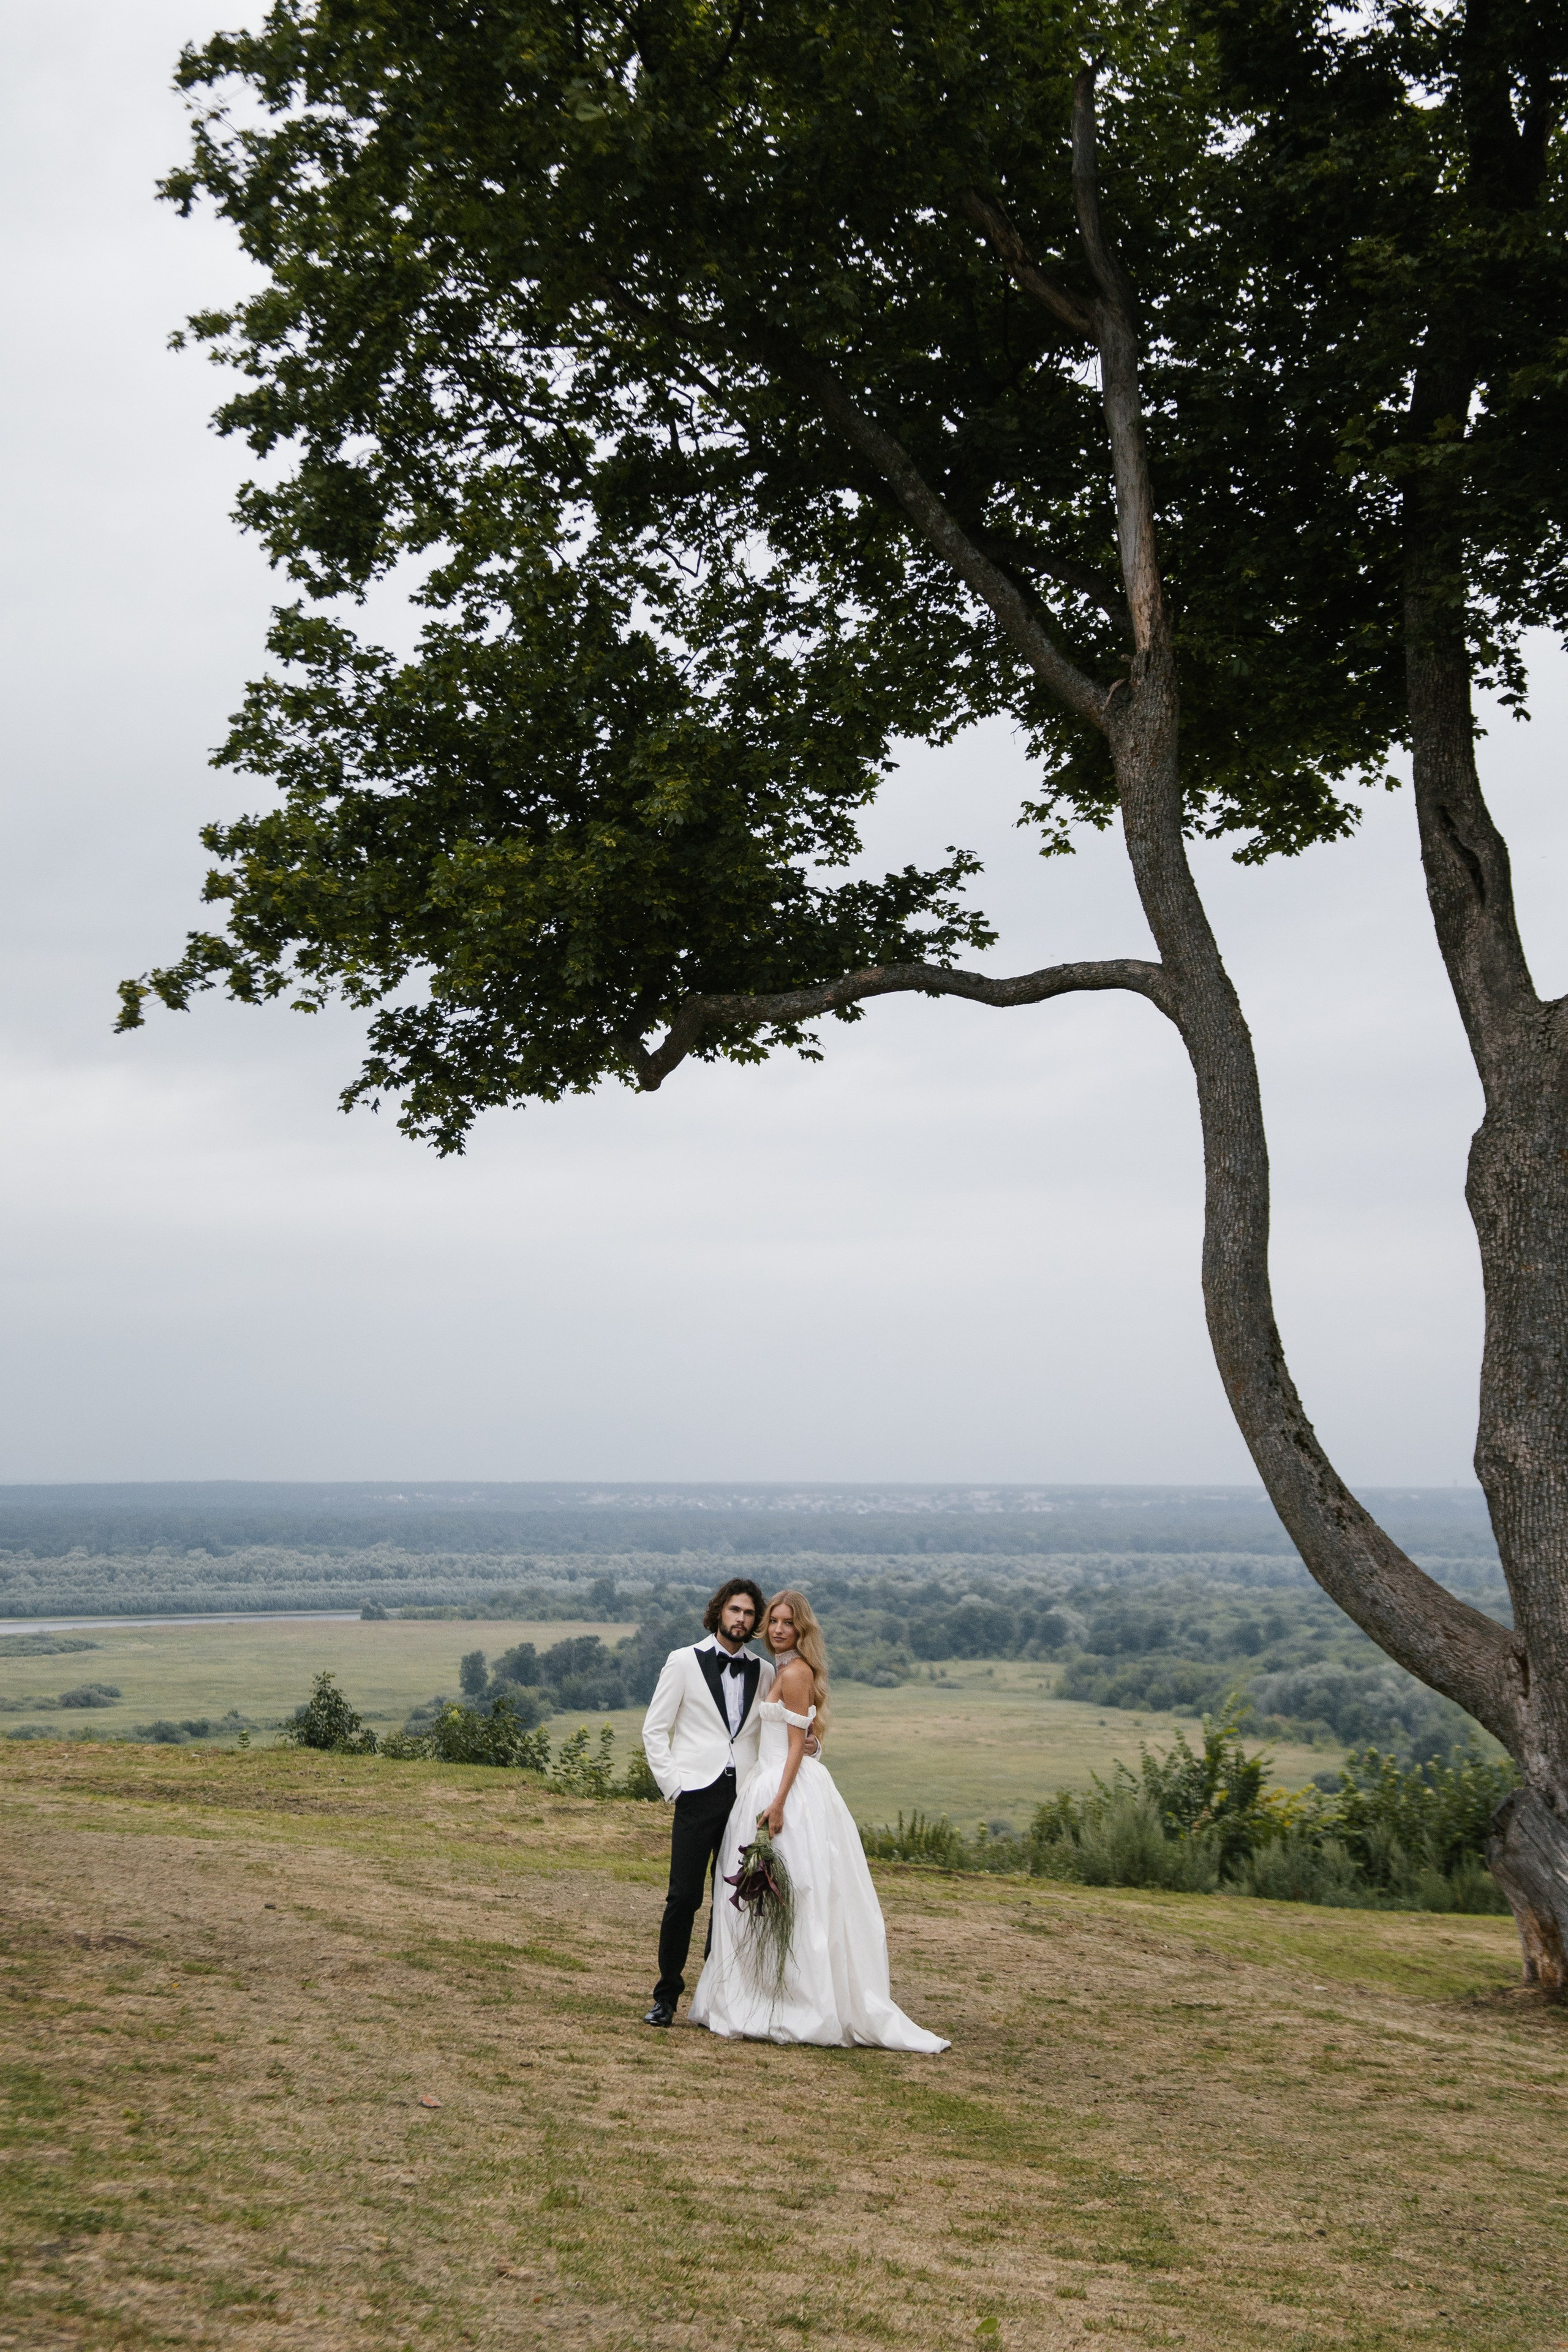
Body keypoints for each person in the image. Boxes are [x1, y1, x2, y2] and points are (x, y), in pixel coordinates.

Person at [690, 1588, 949, 2051]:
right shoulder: (779, 1669)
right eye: (773, 1621)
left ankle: (798, 2003)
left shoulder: (796, 1673)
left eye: (787, 1623)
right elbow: (798, 1737)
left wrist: (781, 1801)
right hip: (765, 1783)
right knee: (762, 1901)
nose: (778, 1629)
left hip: (784, 1790)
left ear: (801, 1628)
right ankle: (761, 1993)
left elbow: (794, 1747)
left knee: (799, 1895)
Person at [639, 1577, 772, 2026]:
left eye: (750, 1613)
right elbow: (654, 1729)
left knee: (731, 1901)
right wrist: (674, 1785)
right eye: (735, 1610)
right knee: (683, 1898)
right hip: (697, 1794)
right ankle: (666, 1998)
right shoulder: (682, 1662)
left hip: (743, 1799)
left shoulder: (766, 1672)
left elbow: (773, 1734)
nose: (742, 1619)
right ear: (719, 1612)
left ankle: (717, 1998)